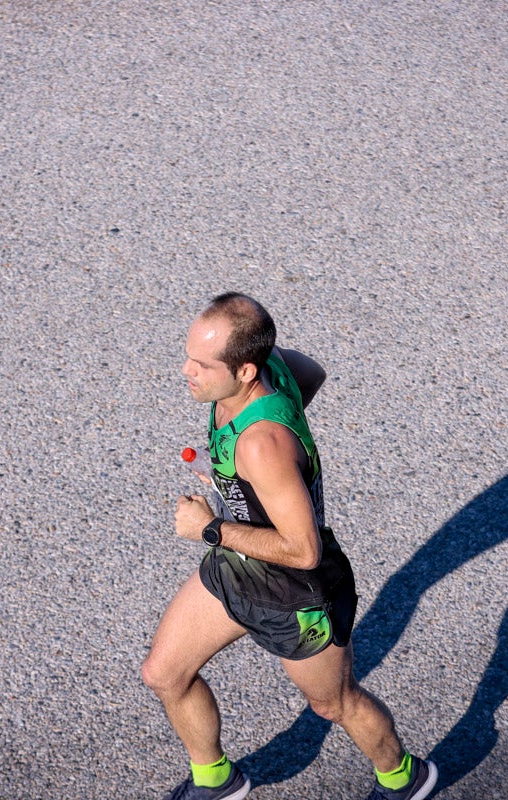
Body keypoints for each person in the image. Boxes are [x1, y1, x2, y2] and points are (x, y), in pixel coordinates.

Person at [141, 293, 437, 800]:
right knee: (165, 673)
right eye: (188, 354)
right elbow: (311, 373)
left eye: (201, 364)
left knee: (335, 704)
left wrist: (210, 529)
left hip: (297, 595)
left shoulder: (262, 445)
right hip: (240, 567)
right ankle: (216, 780)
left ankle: (404, 778)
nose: (185, 370)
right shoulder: (271, 368)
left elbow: (303, 551)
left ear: (246, 370)